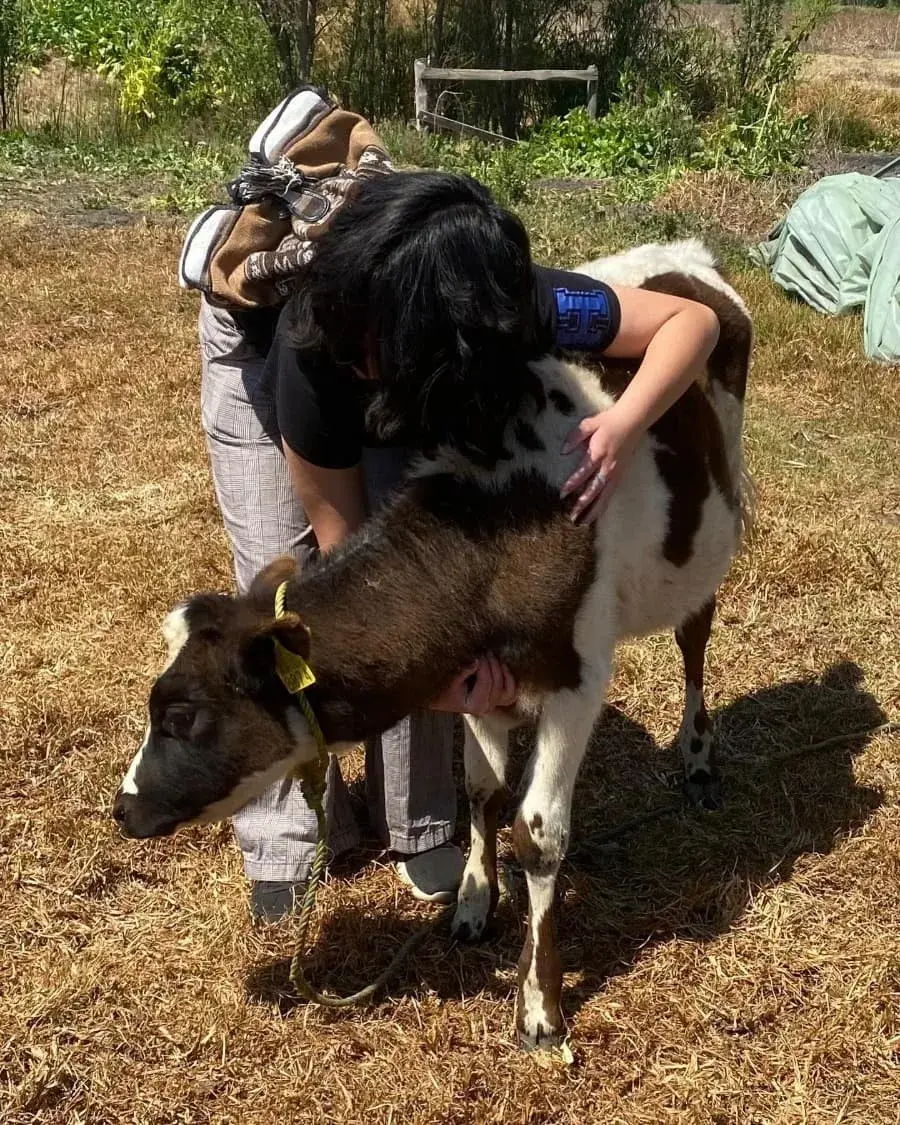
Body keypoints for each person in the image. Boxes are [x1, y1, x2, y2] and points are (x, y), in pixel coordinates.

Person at [200, 170, 720, 921]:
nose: (368, 357)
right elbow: (361, 581)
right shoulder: (319, 351)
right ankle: (288, 837)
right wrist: (430, 672)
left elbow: (689, 324)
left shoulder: (515, 303)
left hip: (416, 377)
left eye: (386, 349)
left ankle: (420, 828)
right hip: (266, 361)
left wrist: (624, 423)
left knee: (435, 578)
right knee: (287, 601)